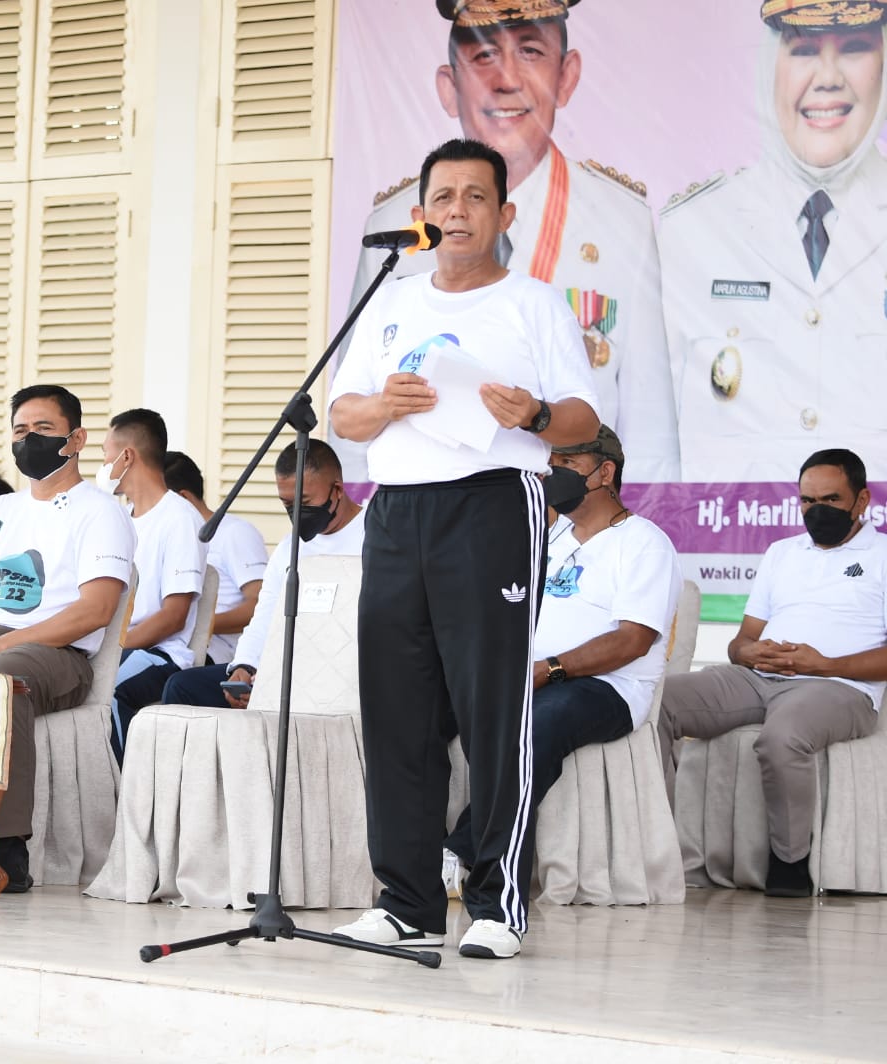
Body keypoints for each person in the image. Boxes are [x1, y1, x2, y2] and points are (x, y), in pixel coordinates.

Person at [328, 138, 599, 959]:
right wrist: (385, 404)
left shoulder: (534, 304)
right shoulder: (390, 299)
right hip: (396, 510)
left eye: (475, 197)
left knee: (492, 708)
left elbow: (585, 420)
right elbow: (343, 416)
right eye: (443, 198)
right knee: (397, 710)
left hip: (491, 505)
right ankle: (406, 901)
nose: (458, 211)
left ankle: (496, 902)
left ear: (504, 213)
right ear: (421, 215)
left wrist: (535, 415)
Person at [342, 0, 676, 483]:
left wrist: (537, 416)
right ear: (448, 86)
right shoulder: (390, 233)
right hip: (404, 505)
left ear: (567, 76)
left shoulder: (621, 220)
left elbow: (648, 428)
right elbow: (346, 427)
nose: (507, 80)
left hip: (546, 500)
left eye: (530, 51)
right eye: (483, 56)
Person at [443, 426, 680, 893]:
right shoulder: (551, 537)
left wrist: (549, 670)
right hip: (529, 675)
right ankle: (415, 852)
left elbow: (632, 641)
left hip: (608, 687)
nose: (553, 475)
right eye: (550, 466)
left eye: (567, 465)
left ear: (605, 472)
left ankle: (462, 855)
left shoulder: (644, 543)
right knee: (422, 712)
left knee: (536, 724)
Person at [659, 1, 887, 482]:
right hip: (730, 530)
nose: (828, 78)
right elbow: (655, 448)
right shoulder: (692, 230)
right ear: (769, 67)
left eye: (854, 48)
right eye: (803, 49)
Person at [0, 383, 135, 891]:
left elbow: (96, 610)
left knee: (0, 683)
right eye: (20, 430)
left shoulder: (100, 511)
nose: (29, 439)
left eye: (43, 429)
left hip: (53, 652)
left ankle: (7, 846)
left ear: (76, 439)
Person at [658, 448, 887, 897]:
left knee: (781, 737)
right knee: (656, 702)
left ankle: (790, 861)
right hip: (759, 677)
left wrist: (823, 664)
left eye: (831, 500)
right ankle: (657, 842)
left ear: (861, 500)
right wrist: (751, 652)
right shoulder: (782, 552)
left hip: (838, 687)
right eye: (807, 501)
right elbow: (739, 643)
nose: (816, 510)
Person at [162, 440, 365, 710]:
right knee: (182, 687)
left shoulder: (373, 535)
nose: (296, 513)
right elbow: (265, 614)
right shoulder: (289, 546)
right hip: (285, 667)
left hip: (343, 671)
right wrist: (244, 666)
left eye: (304, 502)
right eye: (287, 504)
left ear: (337, 490)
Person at [98, 409, 207, 761]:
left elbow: (174, 616)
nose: (103, 465)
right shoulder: (118, 518)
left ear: (127, 456)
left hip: (160, 655)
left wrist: (110, 650)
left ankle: (122, 789)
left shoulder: (179, 518)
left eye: (105, 454)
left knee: (107, 689)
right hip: (115, 648)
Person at [162, 451, 267, 665]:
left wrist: (196, 625)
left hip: (216, 651)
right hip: (168, 643)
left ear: (183, 498)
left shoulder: (235, 532)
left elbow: (260, 605)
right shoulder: (165, 537)